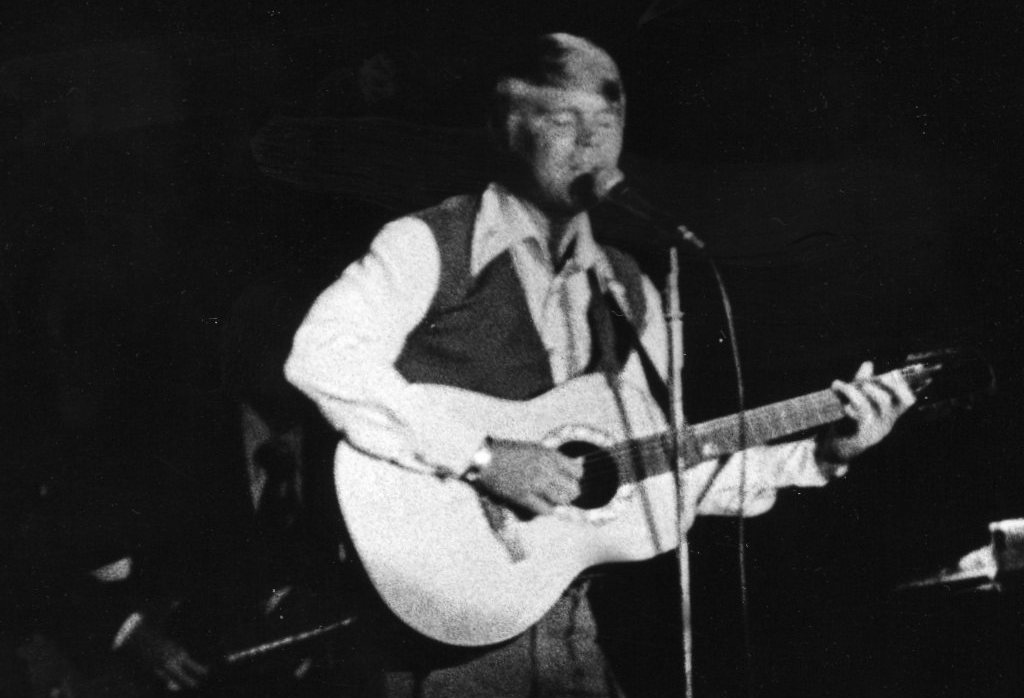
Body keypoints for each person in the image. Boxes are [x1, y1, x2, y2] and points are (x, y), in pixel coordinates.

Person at [284, 33, 916, 698]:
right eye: (562, 119)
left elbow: (663, 475)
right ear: (505, 131)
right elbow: (321, 356)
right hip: (444, 650)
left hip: (571, 634)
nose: (590, 143)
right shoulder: (431, 244)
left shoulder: (629, 289)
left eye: (606, 120)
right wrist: (483, 456)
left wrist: (820, 455)